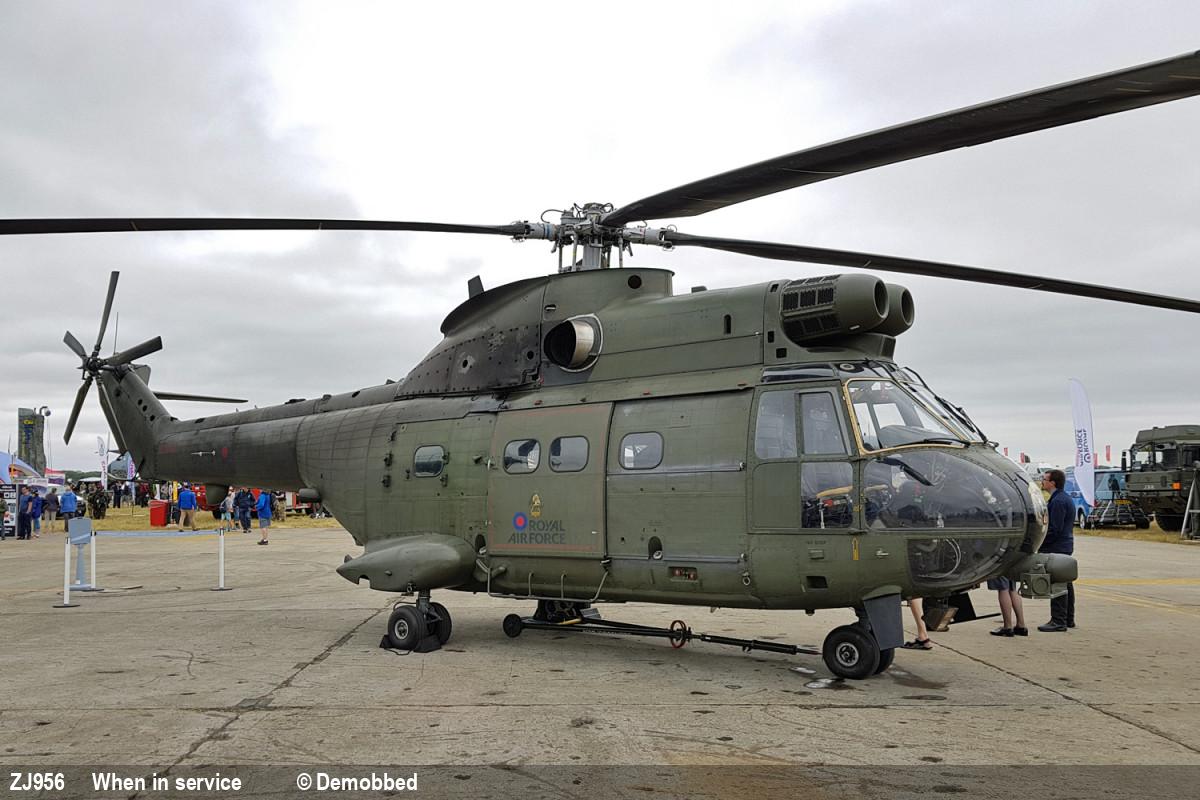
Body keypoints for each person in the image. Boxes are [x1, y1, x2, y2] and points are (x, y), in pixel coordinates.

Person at [1038, 469, 1076, 632]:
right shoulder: (1061, 498)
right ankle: (1067, 618)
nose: (1042, 482)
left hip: (1057, 547)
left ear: (1052, 483)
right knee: (1065, 582)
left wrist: (1039, 543)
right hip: (1063, 545)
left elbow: (1054, 529)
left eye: (1044, 479)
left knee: (1058, 583)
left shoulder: (1058, 501)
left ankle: (1058, 620)